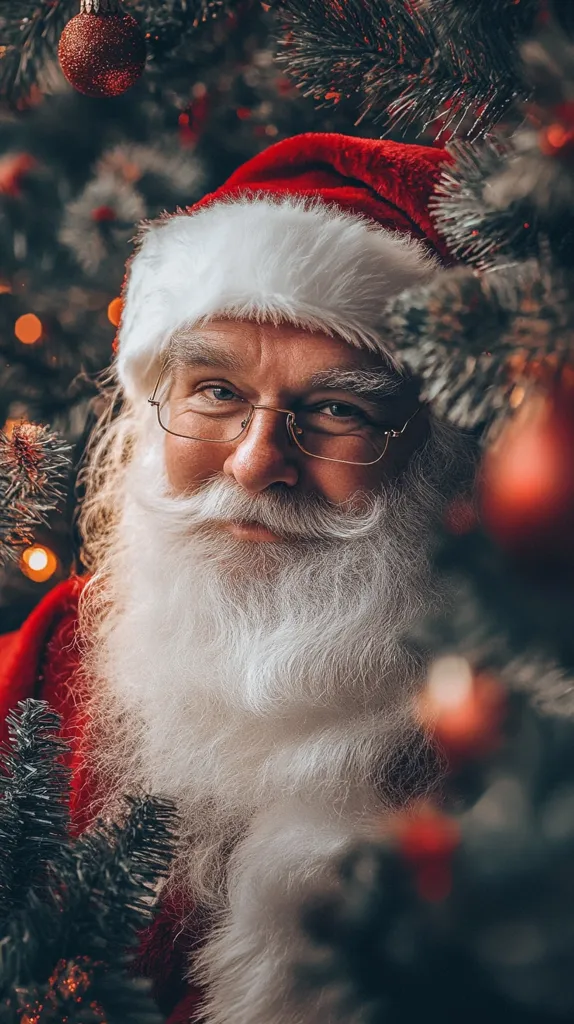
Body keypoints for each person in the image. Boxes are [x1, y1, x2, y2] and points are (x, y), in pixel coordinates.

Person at [0, 133, 474, 1024]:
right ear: (156, 406)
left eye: (338, 408)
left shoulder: (501, 742)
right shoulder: (55, 659)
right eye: (216, 390)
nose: (257, 463)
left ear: (436, 455)